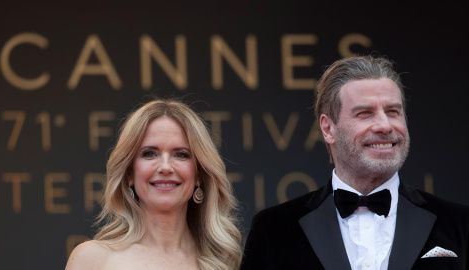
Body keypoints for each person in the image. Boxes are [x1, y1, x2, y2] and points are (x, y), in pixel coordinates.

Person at [240, 55, 469, 270]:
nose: (385, 125)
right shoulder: (273, 229)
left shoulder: (459, 223)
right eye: (365, 113)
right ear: (328, 128)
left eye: (393, 111)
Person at [66, 98, 243, 270]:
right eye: (150, 153)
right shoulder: (92, 259)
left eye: (180, 154)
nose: (165, 167)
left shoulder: (224, 260)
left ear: (198, 174)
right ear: (129, 174)